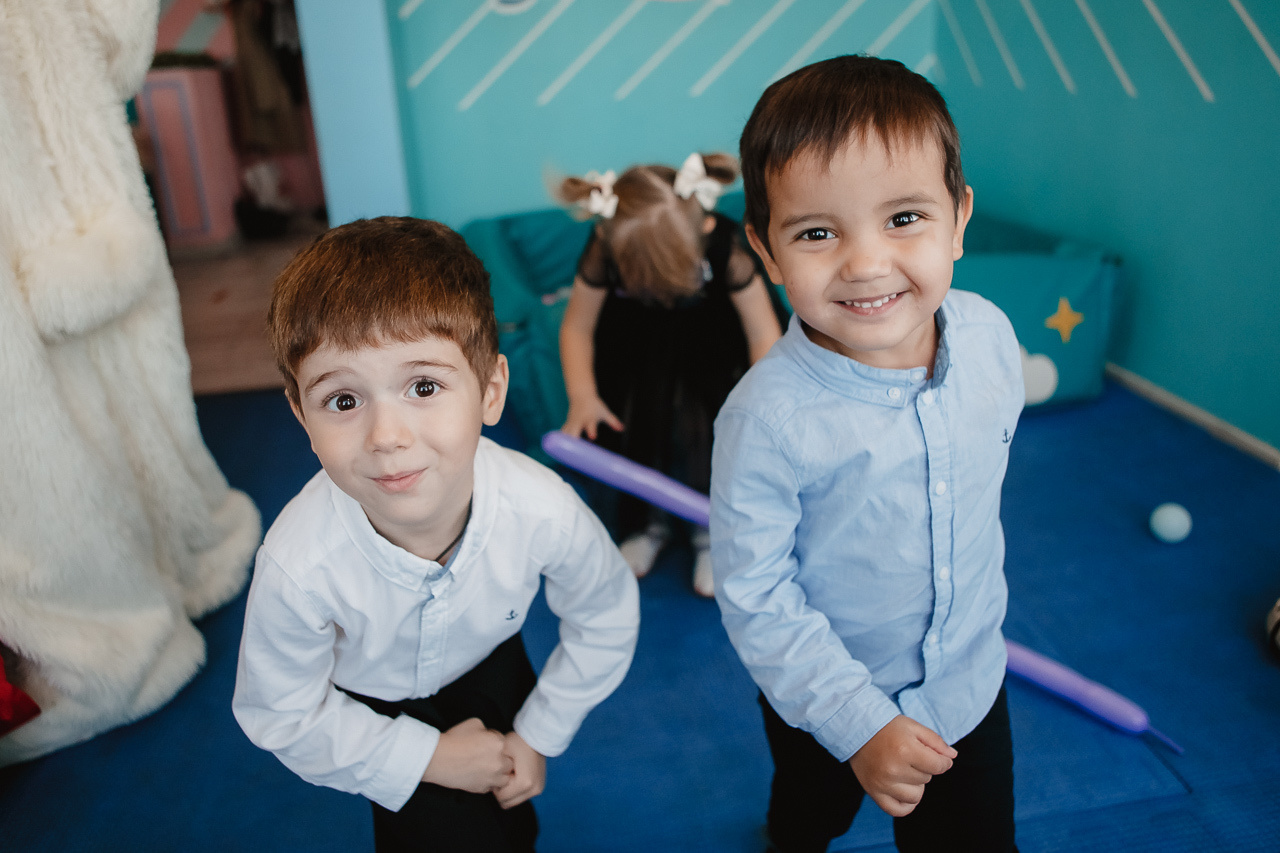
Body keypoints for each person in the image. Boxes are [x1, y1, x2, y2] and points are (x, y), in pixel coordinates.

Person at [232, 217, 640, 853]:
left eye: (424, 387)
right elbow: (280, 710)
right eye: (343, 401)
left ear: (490, 391)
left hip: (495, 668)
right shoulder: (298, 564)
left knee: (513, 819)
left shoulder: (543, 507)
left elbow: (606, 612)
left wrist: (537, 733)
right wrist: (426, 758)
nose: (386, 436)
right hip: (378, 705)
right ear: (300, 415)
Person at [710, 56, 1024, 852]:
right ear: (767, 253)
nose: (866, 263)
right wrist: (857, 724)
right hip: (825, 702)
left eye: (905, 218)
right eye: (817, 232)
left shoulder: (990, 339)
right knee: (808, 819)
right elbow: (756, 595)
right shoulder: (765, 418)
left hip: (966, 686)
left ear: (959, 216)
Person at [556, 153, 783, 596]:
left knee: (711, 437)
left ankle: (711, 533)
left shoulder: (726, 247)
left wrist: (761, 399)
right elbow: (577, 326)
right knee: (638, 431)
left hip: (715, 351)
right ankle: (646, 526)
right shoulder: (604, 244)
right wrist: (582, 395)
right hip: (637, 352)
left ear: (701, 231)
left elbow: (763, 334)